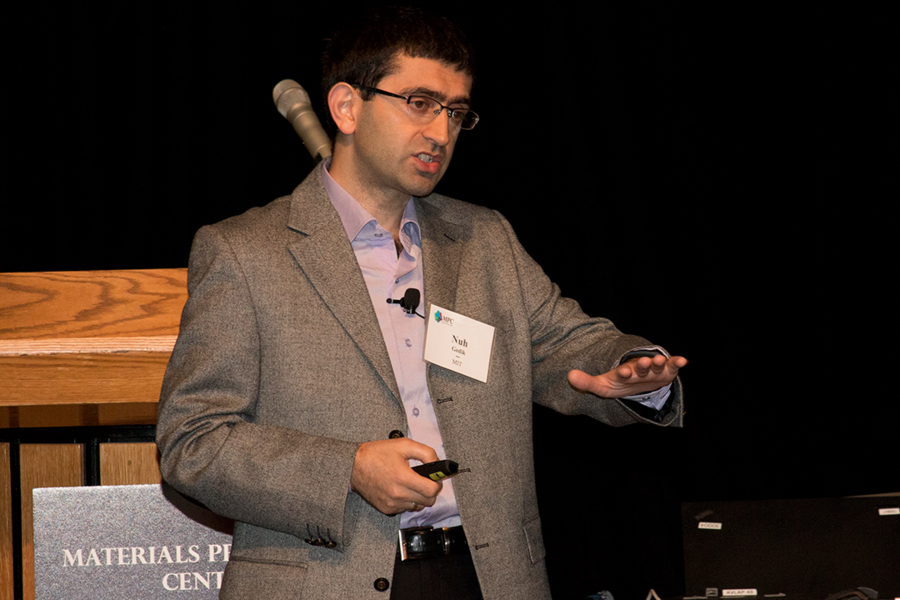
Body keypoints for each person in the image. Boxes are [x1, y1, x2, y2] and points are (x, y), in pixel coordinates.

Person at [156, 7, 686, 599]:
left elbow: (571, 343)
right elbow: (192, 442)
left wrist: (631, 370)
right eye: (419, 103)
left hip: (488, 579)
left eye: (456, 112)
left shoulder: (485, 240)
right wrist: (348, 468)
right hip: (327, 582)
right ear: (346, 107)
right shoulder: (244, 252)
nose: (441, 132)